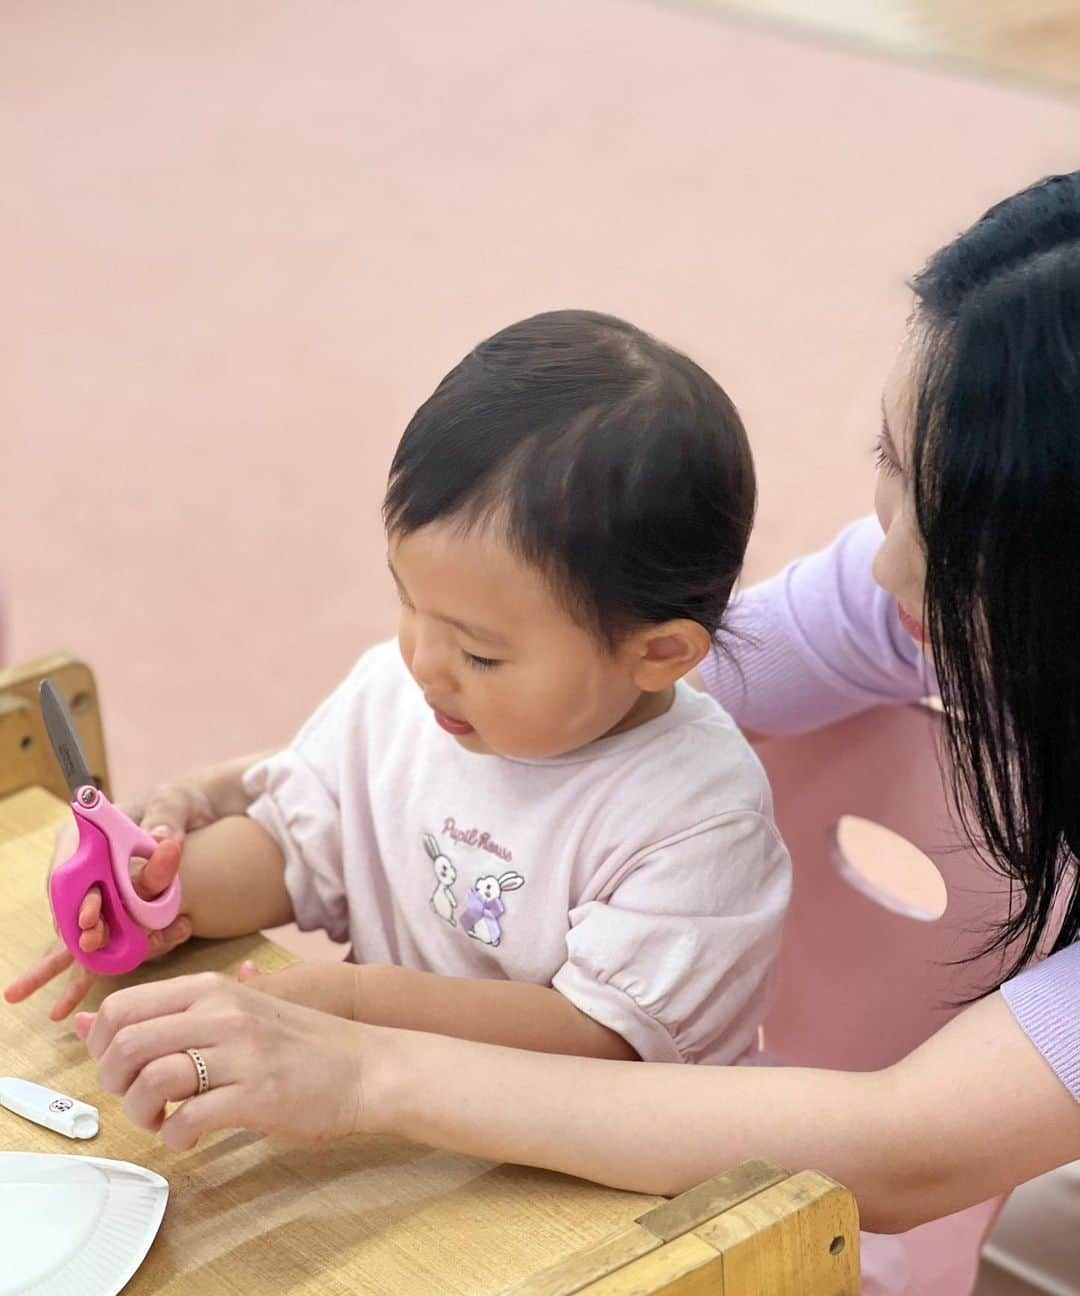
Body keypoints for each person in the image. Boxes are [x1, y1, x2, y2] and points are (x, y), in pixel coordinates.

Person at [30, 175, 1080, 1251]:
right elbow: (556, 722)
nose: (885, 555)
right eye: (892, 469)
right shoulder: (885, 590)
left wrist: (360, 1049)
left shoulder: (700, 814)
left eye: (952, 529)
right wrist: (219, 817)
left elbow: (904, 1149)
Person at [8, 309, 791, 1070]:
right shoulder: (409, 696)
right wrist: (159, 897)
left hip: (601, 1179)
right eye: (409, 603)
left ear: (657, 653)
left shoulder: (698, 816)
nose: (423, 662)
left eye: (482, 654)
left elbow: (602, 1040)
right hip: (398, 1133)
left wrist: (358, 1008)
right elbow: (294, 848)